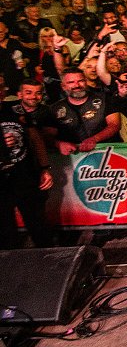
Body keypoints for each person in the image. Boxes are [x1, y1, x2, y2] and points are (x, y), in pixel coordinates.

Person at [0, 74, 55, 249]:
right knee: (5, 230)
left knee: (38, 224)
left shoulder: (15, 109)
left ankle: (49, 265)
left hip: (24, 175)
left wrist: (44, 168)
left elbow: (35, 138)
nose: (0, 91)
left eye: (1, 86)